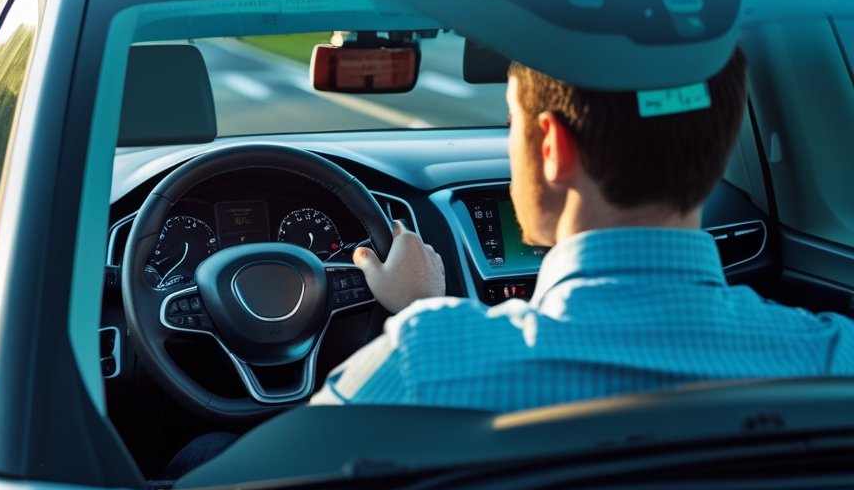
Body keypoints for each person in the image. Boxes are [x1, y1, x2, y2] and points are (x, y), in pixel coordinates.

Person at [309, 49, 854, 411]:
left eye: (510, 124)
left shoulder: (424, 362)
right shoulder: (833, 360)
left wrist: (418, 311)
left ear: (552, 147)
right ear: (723, 140)